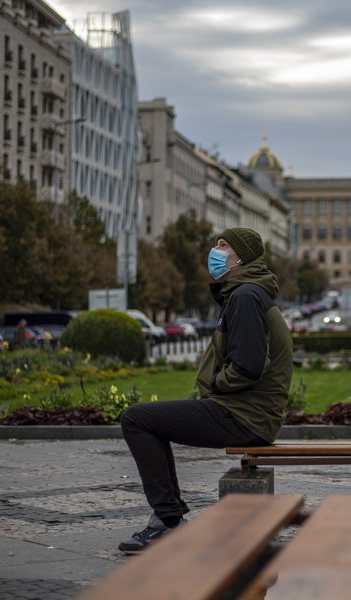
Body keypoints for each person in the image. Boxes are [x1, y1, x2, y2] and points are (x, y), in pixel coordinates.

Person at [117, 227, 293, 554]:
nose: (215, 250)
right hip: (249, 414)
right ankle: (167, 519)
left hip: (243, 417)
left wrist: (214, 383)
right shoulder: (249, 293)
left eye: (224, 245)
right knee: (149, 421)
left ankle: (168, 523)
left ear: (241, 257)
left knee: (136, 419)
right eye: (216, 243)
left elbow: (248, 366)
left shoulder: (245, 296)